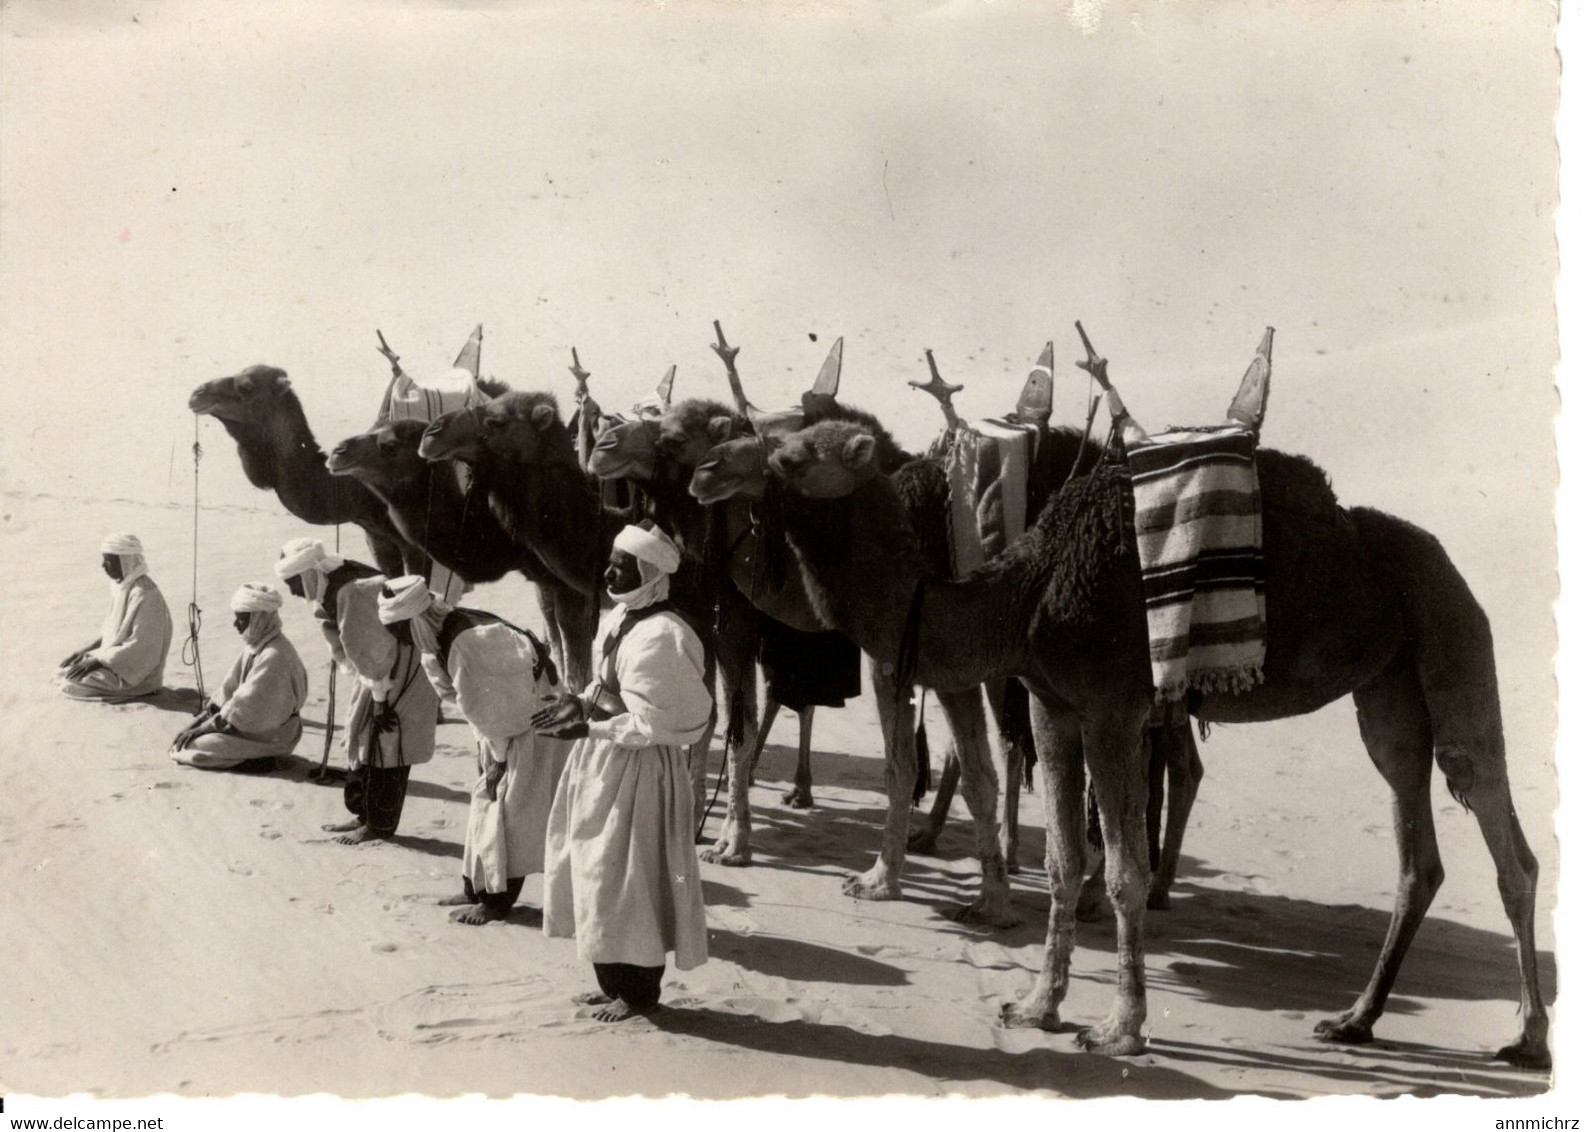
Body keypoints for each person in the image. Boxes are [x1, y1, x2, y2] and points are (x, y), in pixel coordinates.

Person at [534, 523, 713, 1022]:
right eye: (611, 561)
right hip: (602, 763)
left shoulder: (666, 636)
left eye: (621, 565)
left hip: (640, 774)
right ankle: (611, 983)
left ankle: (638, 994)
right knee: (596, 875)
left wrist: (589, 727)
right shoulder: (621, 617)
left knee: (631, 882)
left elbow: (662, 723)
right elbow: (606, 687)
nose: (610, 571)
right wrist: (578, 705)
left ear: (650, 573)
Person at [376, 575, 572, 925]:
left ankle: (496, 903)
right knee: (486, 807)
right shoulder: (439, 636)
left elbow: (505, 715)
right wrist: (490, 750)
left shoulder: (469, 642)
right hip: (504, 732)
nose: (394, 637)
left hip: (533, 732)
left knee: (509, 817)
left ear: (413, 619)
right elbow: (465, 700)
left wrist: (496, 760)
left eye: (397, 628)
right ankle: (475, 889)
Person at [275, 537, 438, 844]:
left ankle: (379, 825)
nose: (293, 592)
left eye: (293, 583)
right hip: (382, 669)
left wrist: (379, 701)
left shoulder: (352, 590)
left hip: (399, 666)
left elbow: (373, 650)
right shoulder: (334, 580)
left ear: (308, 573)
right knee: (365, 738)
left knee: (387, 744)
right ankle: (365, 814)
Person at [171, 583, 308, 770]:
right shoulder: (256, 646)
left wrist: (201, 730)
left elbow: (244, 708)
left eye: (242, 620)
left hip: (274, 735)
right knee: (186, 744)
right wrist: (193, 725)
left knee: (195, 747)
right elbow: (228, 692)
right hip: (250, 727)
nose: (236, 625)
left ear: (259, 619)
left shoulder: (274, 655)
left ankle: (262, 760)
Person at [58, 533, 173, 702]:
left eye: (109, 561)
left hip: (137, 675)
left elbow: (141, 646)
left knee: (71, 683)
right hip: (116, 661)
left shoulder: (146, 594)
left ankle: (139, 690)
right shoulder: (123, 587)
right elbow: (113, 634)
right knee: (66, 670)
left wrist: (97, 661)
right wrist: (84, 652)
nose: (103, 566)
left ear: (126, 561)